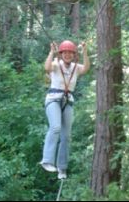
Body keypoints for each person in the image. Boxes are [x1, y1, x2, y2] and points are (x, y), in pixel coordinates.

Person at [40, 40, 90, 179]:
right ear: (61, 54)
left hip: (67, 101)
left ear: (74, 55)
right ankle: (47, 160)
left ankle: (62, 168)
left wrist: (85, 51)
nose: (67, 55)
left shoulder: (75, 67)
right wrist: (51, 52)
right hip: (53, 99)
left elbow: (86, 68)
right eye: (65, 52)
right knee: (55, 127)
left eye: (70, 52)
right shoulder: (56, 64)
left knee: (66, 137)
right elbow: (47, 67)